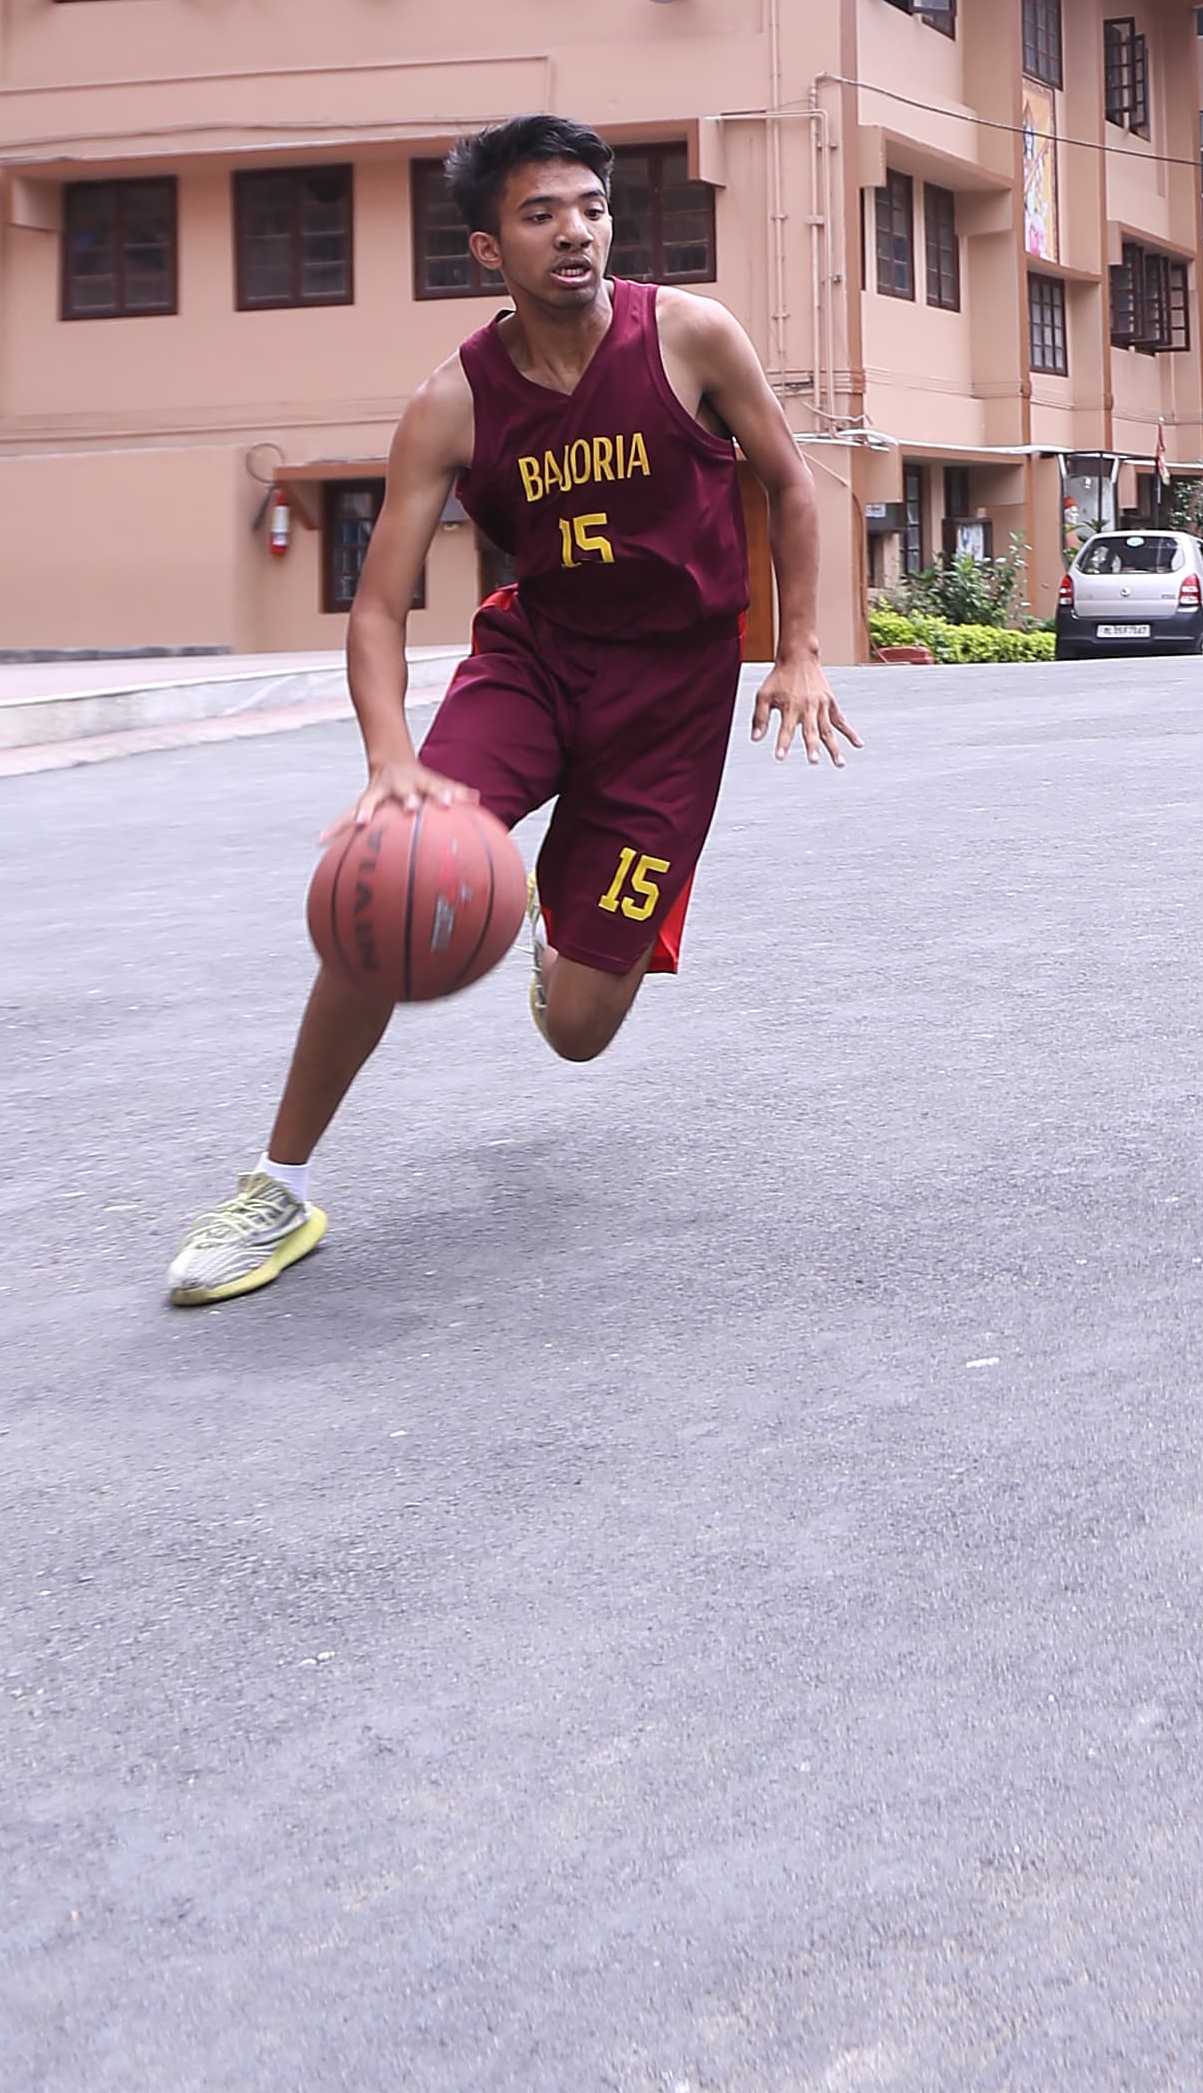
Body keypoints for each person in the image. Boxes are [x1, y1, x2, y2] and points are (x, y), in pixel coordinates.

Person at [165, 112, 855, 1307]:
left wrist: (796, 650)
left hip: (672, 704)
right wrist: (389, 763)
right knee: (385, 890)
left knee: (580, 1030)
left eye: (589, 206)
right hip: (535, 661)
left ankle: (560, 933)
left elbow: (790, 486)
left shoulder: (690, 336)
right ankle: (275, 1188)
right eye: (540, 214)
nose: (575, 231)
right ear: (490, 249)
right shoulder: (454, 402)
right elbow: (376, 609)